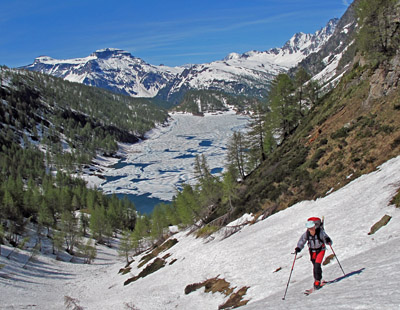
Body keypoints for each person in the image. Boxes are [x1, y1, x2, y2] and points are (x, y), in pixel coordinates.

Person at [295, 220, 332, 289]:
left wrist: (328, 240)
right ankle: (318, 279)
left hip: (321, 250)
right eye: (309, 228)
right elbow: (302, 241)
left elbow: (326, 238)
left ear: (314, 226)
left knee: (317, 265)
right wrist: (298, 248)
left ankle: (317, 281)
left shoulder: (320, 232)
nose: (311, 229)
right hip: (312, 252)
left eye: (312, 227)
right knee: (315, 266)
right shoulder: (306, 234)